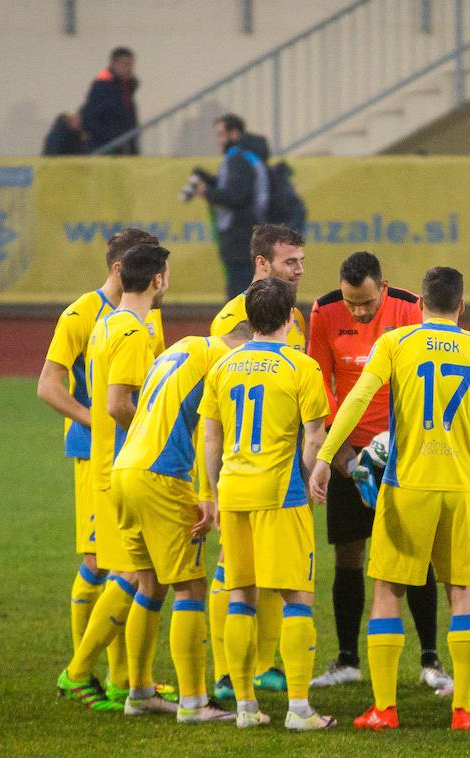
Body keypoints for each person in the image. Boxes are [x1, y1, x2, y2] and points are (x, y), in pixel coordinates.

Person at [310, 266, 470, 732]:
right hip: (463, 489)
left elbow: (356, 401)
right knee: (463, 592)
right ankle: (464, 710)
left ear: (420, 306)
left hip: (406, 487)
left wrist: (325, 458)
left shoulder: (396, 343)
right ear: (461, 306)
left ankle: (384, 709)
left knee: (388, 592)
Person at [306, 251, 450, 691]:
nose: (359, 311)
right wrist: (342, 451)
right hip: (350, 454)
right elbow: (320, 384)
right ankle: (347, 659)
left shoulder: (409, 308)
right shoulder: (324, 311)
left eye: (366, 302)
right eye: (352, 304)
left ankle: (430, 660)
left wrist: (406, 446)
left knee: (416, 554)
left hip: (403, 453)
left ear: (383, 287)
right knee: (348, 554)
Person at [39, 228, 166, 709]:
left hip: (135, 452)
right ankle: (87, 671)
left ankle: (123, 679)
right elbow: (48, 386)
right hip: (98, 453)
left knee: (124, 565)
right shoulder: (81, 313)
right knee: (103, 562)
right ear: (119, 268)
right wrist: (97, 421)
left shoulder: (147, 313)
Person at [201, 277, 335, 731]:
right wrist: (315, 473)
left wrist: (215, 493)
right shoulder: (302, 367)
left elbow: (211, 436)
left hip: (235, 491)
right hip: (282, 494)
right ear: (288, 315)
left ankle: (244, 706)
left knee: (240, 595)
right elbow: (314, 438)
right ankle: (299, 709)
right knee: (297, 596)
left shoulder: (224, 366)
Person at [110, 319, 253, 723]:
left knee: (149, 583)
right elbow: (215, 433)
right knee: (190, 585)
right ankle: (194, 702)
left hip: (125, 471)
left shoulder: (183, 346)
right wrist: (209, 495)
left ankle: (138, 693)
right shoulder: (225, 360)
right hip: (161, 475)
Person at [206, 222, 306, 701]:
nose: (300, 270)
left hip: (275, 469)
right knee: (234, 572)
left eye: (302, 261)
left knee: (265, 575)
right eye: (291, 262)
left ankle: (262, 665)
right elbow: (223, 411)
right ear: (262, 264)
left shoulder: (293, 315)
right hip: (247, 467)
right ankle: (228, 671)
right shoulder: (232, 320)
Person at [198, 114, 270, 298]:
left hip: (240, 235)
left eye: (221, 134)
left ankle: (239, 326)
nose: (218, 140)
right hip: (246, 232)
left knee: (240, 292)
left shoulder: (238, 159)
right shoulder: (245, 157)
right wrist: (210, 181)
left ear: (234, 133)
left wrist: (207, 192)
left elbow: (236, 196)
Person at [82, 47, 139, 155]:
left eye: (131, 64)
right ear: (114, 64)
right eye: (125, 64)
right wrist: (112, 139)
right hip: (104, 149)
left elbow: (131, 123)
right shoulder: (102, 87)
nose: (130, 68)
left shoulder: (127, 89)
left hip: (122, 149)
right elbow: (90, 118)